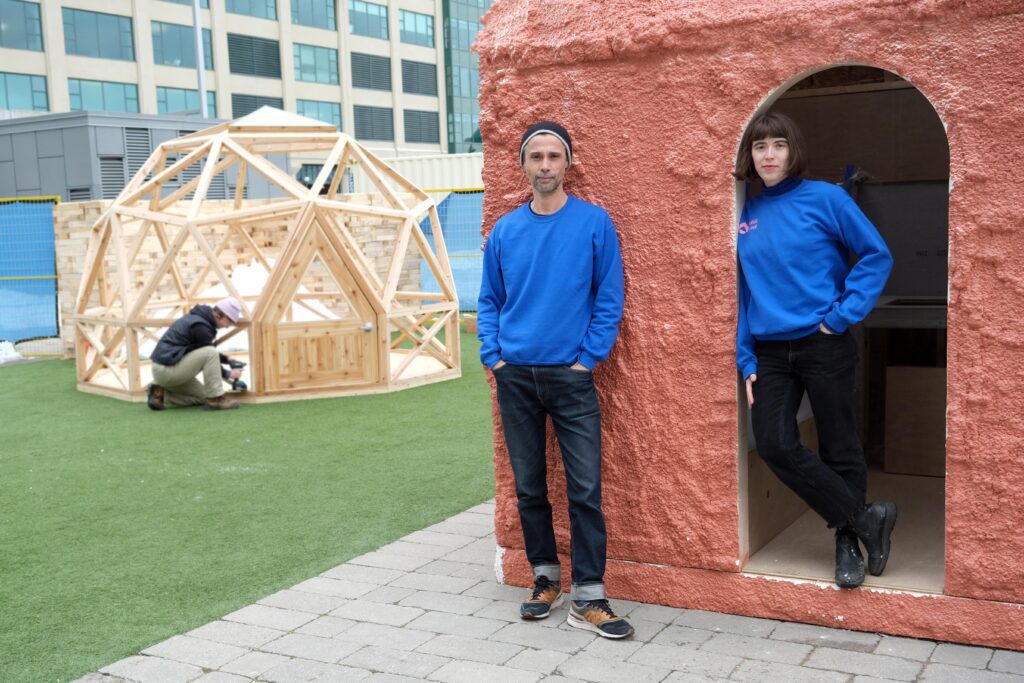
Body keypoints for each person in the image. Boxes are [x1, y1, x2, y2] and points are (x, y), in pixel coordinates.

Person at [478, 121, 632, 638]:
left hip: (572, 378)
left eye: (553, 156)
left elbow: (609, 297)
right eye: (535, 157)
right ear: (523, 165)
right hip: (516, 376)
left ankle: (589, 596)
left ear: (568, 164)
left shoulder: (594, 224)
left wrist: (588, 359)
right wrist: (494, 357)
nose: (544, 165)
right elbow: (490, 301)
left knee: (585, 489)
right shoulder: (505, 230)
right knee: (529, 487)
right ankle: (544, 578)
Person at [735, 111, 897, 588]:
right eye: (760, 146)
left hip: (823, 343)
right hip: (769, 351)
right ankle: (868, 519)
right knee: (776, 444)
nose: (768, 155)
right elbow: (743, 293)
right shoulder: (744, 209)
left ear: (793, 151)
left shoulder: (826, 198)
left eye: (779, 145)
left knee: (839, 445)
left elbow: (875, 255)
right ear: (750, 155)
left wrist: (840, 317)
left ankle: (847, 541)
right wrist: (746, 357)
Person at [147, 297, 245, 411]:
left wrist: (226, 359)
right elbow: (208, 353)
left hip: (165, 370)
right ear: (220, 315)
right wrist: (228, 374)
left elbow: (201, 349)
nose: (228, 326)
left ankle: (160, 395)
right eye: (230, 321)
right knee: (210, 352)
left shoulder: (200, 319)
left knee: (203, 397)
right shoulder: (201, 326)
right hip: (167, 370)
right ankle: (215, 399)